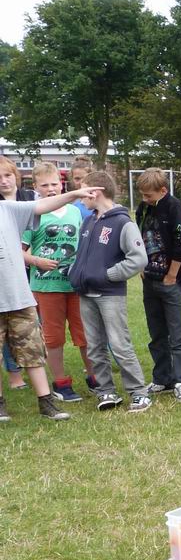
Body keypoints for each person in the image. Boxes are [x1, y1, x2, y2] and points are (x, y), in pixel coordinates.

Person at [0, 179, 100, 422]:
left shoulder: (7, 209)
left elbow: (43, 205)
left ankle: (46, 402)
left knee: (33, 350)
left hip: (19, 297)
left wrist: (75, 193)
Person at [69, 171, 151, 413]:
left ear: (96, 192)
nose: (81, 197)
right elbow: (82, 255)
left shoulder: (123, 223)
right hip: (86, 293)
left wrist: (109, 275)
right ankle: (106, 391)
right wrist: (75, 271)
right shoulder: (88, 221)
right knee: (94, 345)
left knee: (119, 344)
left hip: (109, 294)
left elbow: (138, 259)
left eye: (84, 191)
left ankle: (139, 393)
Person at [21, 161, 95, 402]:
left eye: (54, 184)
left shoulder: (75, 211)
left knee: (85, 333)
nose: (51, 189)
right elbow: (17, 251)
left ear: (62, 184)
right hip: (47, 286)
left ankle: (95, 377)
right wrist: (37, 261)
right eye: (44, 185)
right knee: (54, 337)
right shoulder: (32, 213)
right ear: (35, 187)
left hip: (75, 284)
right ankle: (61, 383)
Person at [134, 168, 181, 402]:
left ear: (162, 190)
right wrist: (142, 266)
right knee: (157, 333)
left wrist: (172, 275)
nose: (145, 199)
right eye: (142, 195)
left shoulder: (174, 207)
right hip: (149, 279)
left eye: (149, 195)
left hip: (170, 281)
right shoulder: (143, 208)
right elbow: (139, 238)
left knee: (177, 334)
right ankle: (162, 378)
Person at [1, 156, 37, 390]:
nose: (4, 181)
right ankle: (15, 375)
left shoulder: (30, 198)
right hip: (9, 275)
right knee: (7, 326)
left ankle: (36, 371)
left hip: (36, 273)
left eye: (8, 175)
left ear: (16, 176)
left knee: (32, 326)